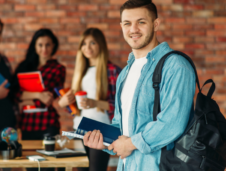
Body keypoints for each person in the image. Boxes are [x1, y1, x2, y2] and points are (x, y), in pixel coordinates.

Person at [83, 0, 196, 171]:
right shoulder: (125, 73)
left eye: (141, 22)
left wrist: (129, 144)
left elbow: (173, 123)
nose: (133, 29)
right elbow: (121, 126)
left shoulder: (176, 66)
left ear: (156, 24)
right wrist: (104, 140)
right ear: (121, 26)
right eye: (127, 23)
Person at [58, 28, 121, 171]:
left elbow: (121, 106)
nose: (88, 47)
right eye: (84, 44)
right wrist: (64, 103)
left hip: (101, 129)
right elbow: (76, 108)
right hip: (79, 128)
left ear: (101, 45)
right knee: (81, 169)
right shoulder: (81, 71)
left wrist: (95, 103)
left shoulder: (112, 70)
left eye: (93, 43)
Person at [11, 28, 65, 171]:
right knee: (32, 166)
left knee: (48, 165)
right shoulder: (24, 66)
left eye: (48, 45)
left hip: (48, 123)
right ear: (35, 46)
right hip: (27, 124)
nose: (44, 49)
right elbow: (15, 95)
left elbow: (48, 98)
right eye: (40, 45)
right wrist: (38, 95)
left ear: (54, 46)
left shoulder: (58, 69)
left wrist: (26, 97)